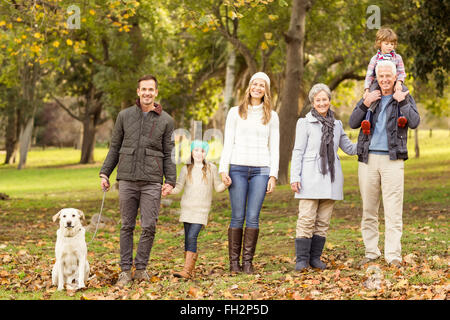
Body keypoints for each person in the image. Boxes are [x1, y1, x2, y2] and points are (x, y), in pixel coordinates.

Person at [99, 74, 176, 286]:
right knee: (126, 226)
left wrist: (170, 180)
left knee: (149, 226)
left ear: (156, 92)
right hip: (127, 179)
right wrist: (105, 173)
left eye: (151, 89)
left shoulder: (166, 120)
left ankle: (140, 269)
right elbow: (114, 147)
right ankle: (125, 271)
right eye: (144, 89)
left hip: (152, 180)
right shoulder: (124, 116)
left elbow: (169, 153)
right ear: (138, 92)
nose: (147, 93)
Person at [349, 60, 420, 267]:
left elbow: (415, 122)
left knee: (393, 210)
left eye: (389, 76)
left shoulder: (403, 96)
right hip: (368, 160)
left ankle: (393, 255)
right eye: (381, 77)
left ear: (395, 76)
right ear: (377, 78)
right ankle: (371, 253)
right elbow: (353, 122)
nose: (385, 80)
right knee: (369, 210)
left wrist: (403, 102)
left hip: (393, 160)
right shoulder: (370, 96)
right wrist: (365, 102)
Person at [290, 83, 357, 272]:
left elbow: (350, 148)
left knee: (323, 222)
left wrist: (368, 137)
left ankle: (315, 258)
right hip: (310, 176)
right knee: (306, 219)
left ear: (329, 100)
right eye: (318, 100)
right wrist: (295, 176)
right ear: (313, 102)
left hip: (331, 179)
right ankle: (302, 260)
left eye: (324, 99)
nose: (322, 103)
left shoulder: (337, 125)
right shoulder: (304, 123)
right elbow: (298, 151)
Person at [219, 71, 279, 274]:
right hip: (237, 168)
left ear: (266, 90)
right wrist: (223, 169)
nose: (258, 88)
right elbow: (228, 142)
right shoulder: (235, 112)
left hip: (261, 170)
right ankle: (234, 264)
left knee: (253, 216)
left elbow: (275, 147)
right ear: (249, 87)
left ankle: (247, 263)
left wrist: (273, 175)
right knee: (237, 216)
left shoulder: (272, 116)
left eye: (262, 85)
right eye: (255, 84)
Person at [169, 140, 230, 279]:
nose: (199, 153)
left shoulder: (211, 168)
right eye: (196, 150)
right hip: (187, 209)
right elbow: (178, 187)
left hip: (201, 210)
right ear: (191, 152)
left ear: (205, 153)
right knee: (187, 238)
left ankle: (187, 271)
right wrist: (168, 190)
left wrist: (226, 184)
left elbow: (218, 188)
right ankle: (189, 269)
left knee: (192, 236)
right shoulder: (186, 169)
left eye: (202, 151)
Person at [362, 27, 408, 135]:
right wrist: (367, 89)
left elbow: (401, 72)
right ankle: (367, 119)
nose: (390, 46)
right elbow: (369, 75)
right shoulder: (375, 59)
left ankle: (401, 117)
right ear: (380, 43)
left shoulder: (397, 58)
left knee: (400, 95)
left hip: (394, 83)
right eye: (387, 44)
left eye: (392, 44)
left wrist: (399, 83)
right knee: (372, 97)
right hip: (377, 83)